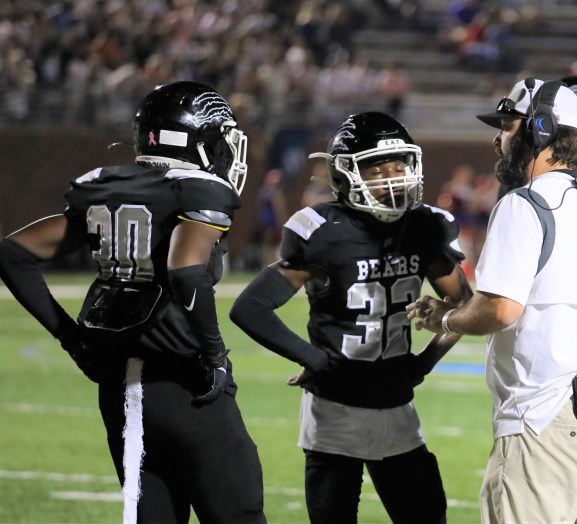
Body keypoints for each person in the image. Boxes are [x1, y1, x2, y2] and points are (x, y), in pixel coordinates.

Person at [407, 78, 577, 523]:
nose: (498, 139)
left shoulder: (524, 204)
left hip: (546, 420)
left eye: (507, 126)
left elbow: (501, 309)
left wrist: (448, 318)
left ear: (540, 129)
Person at [0, 81, 266, 524]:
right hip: (184, 384)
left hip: (120, 390)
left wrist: (71, 338)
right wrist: (214, 353)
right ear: (198, 140)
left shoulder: (106, 185)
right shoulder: (198, 189)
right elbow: (186, 270)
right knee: (238, 512)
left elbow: (12, 253)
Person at [230, 111, 473, 524]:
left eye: (399, 167)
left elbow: (463, 305)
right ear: (346, 174)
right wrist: (315, 358)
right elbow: (250, 308)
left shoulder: (424, 226)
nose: (393, 179)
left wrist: (423, 364)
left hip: (396, 407)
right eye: (378, 170)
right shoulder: (324, 230)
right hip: (333, 413)